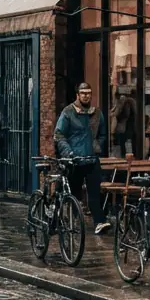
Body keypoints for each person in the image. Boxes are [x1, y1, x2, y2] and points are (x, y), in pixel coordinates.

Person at [54, 80, 111, 235]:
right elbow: (59, 135)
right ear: (77, 95)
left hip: (91, 159)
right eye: (83, 93)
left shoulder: (97, 113)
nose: (86, 96)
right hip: (75, 160)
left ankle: (99, 221)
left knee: (94, 193)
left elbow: (103, 134)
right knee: (74, 193)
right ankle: (72, 221)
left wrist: (97, 146)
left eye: (89, 93)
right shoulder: (68, 112)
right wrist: (68, 153)